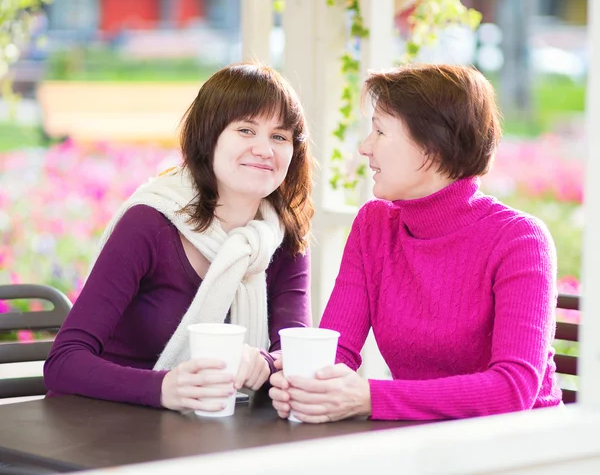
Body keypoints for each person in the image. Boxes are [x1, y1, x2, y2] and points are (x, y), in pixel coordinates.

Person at [270, 63, 561, 422]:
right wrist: (308, 387)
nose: (365, 147)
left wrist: (371, 398)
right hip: (421, 443)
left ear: (433, 146)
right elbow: (338, 348)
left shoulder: (520, 240)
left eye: (380, 132)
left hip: (522, 450)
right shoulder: (374, 226)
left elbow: (512, 389)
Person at [44, 63, 314, 413]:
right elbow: (64, 363)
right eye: (246, 130)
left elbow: (292, 353)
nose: (265, 150)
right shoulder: (149, 223)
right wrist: (164, 388)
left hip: (209, 434)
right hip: (102, 428)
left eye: (279, 136)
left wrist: (265, 362)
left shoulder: (281, 238)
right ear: (208, 137)